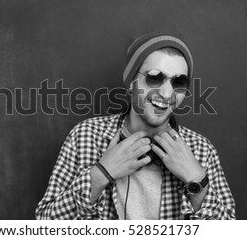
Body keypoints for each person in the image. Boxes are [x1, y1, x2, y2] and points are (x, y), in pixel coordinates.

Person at [35, 32, 236, 220]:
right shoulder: (85, 136)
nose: (167, 94)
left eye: (179, 82)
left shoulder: (202, 149)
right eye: (155, 78)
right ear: (131, 81)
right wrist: (101, 174)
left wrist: (197, 181)